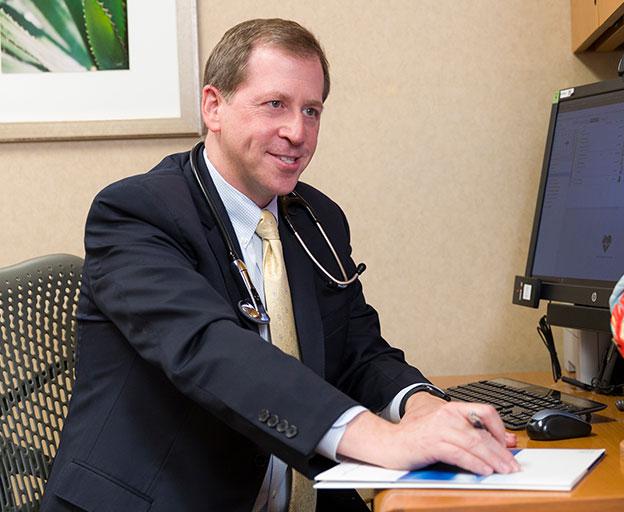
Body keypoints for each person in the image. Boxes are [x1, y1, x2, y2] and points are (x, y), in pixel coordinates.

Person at [42, 18, 518, 512]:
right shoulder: (136, 213)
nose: (297, 132)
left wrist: (421, 407)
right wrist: (381, 438)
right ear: (214, 107)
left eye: (311, 111)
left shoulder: (315, 218)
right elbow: (211, 349)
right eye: (275, 105)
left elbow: (358, 350)